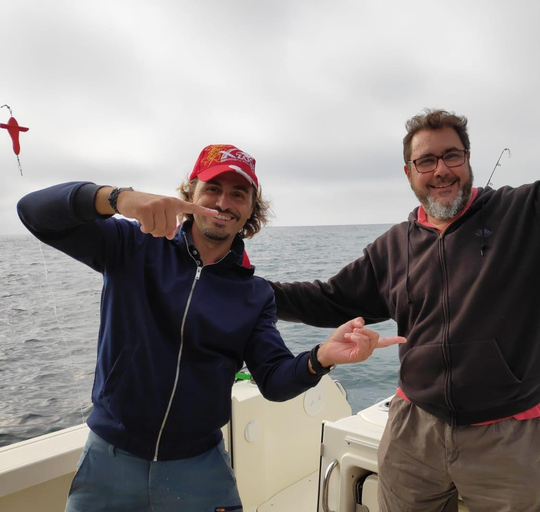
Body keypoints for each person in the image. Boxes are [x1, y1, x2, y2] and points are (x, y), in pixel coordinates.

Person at [268, 29, 540, 512]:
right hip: (413, 432)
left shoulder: (527, 212)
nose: (441, 169)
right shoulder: (391, 248)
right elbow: (326, 299)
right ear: (408, 173)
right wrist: (250, 291)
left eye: (452, 155)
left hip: (511, 439)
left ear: (469, 160)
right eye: (425, 160)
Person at [17, 143, 405, 512]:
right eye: (213, 188)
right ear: (190, 193)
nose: (223, 203)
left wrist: (320, 358)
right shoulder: (131, 246)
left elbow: (273, 379)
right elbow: (34, 211)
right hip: (109, 457)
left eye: (239, 194)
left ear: (252, 209)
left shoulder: (254, 295)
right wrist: (118, 198)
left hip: (198, 465)